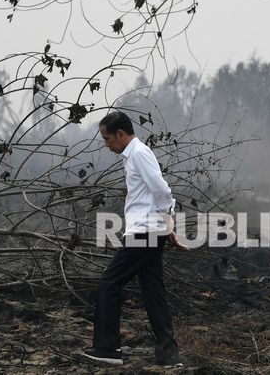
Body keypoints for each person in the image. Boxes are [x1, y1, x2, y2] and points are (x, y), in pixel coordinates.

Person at [82, 111, 188, 368]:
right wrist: (166, 225)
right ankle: (168, 354)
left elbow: (162, 189)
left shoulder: (139, 153)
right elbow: (154, 195)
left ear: (121, 134)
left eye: (107, 139)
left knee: (109, 282)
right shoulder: (134, 155)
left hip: (144, 232)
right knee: (152, 291)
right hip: (152, 230)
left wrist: (167, 223)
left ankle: (107, 348)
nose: (107, 145)